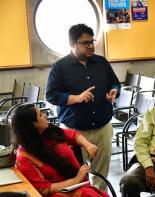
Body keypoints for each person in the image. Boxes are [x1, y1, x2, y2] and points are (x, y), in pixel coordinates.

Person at [46, 24, 121, 190]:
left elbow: (114, 82)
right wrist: (76, 98)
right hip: (75, 132)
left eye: (92, 41)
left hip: (102, 129)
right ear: (73, 44)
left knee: (101, 176)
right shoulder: (60, 67)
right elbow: (50, 95)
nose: (91, 46)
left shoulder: (101, 62)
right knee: (77, 176)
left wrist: (114, 90)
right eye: (85, 43)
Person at [12, 103, 109, 197]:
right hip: (60, 193)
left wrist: (87, 145)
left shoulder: (49, 132)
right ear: (33, 125)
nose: (46, 115)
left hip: (79, 186)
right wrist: (77, 179)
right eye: (41, 115)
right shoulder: (24, 157)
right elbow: (45, 189)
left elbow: (73, 135)